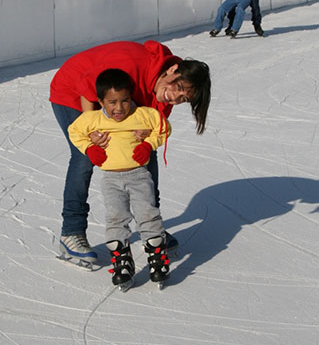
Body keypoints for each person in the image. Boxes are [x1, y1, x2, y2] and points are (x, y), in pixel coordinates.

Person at [49, 40, 211, 263]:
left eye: (183, 98)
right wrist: (94, 133)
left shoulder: (165, 94)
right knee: (85, 156)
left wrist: (145, 139)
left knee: (145, 154)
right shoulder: (131, 65)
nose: (175, 98)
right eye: (179, 88)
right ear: (173, 70)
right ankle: (72, 232)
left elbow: (155, 131)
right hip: (74, 90)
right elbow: (87, 87)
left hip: (115, 101)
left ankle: (152, 227)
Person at [68, 69, 171, 286]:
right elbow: (74, 131)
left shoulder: (142, 114)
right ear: (101, 101)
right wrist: (89, 148)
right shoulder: (92, 119)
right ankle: (122, 260)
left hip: (139, 176)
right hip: (111, 179)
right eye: (112, 102)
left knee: (147, 214)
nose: (119, 107)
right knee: (116, 218)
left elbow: (163, 127)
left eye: (125, 101)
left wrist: (148, 144)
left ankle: (156, 256)